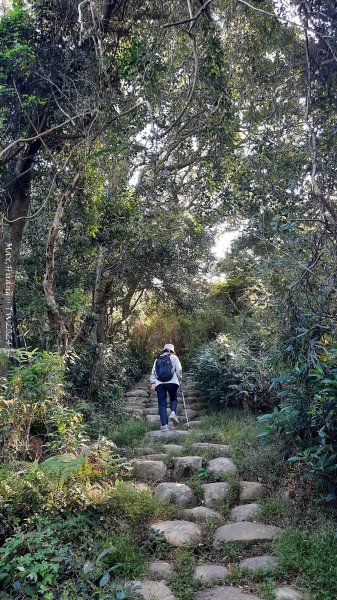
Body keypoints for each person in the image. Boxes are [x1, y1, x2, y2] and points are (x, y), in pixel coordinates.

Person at [150, 343, 182, 432]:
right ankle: (173, 413)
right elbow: (179, 370)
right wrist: (180, 378)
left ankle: (165, 426)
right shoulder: (174, 357)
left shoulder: (158, 359)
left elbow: (153, 371)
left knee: (162, 405)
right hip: (172, 382)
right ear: (172, 350)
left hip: (160, 383)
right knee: (173, 398)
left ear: (164, 350)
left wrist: (153, 382)